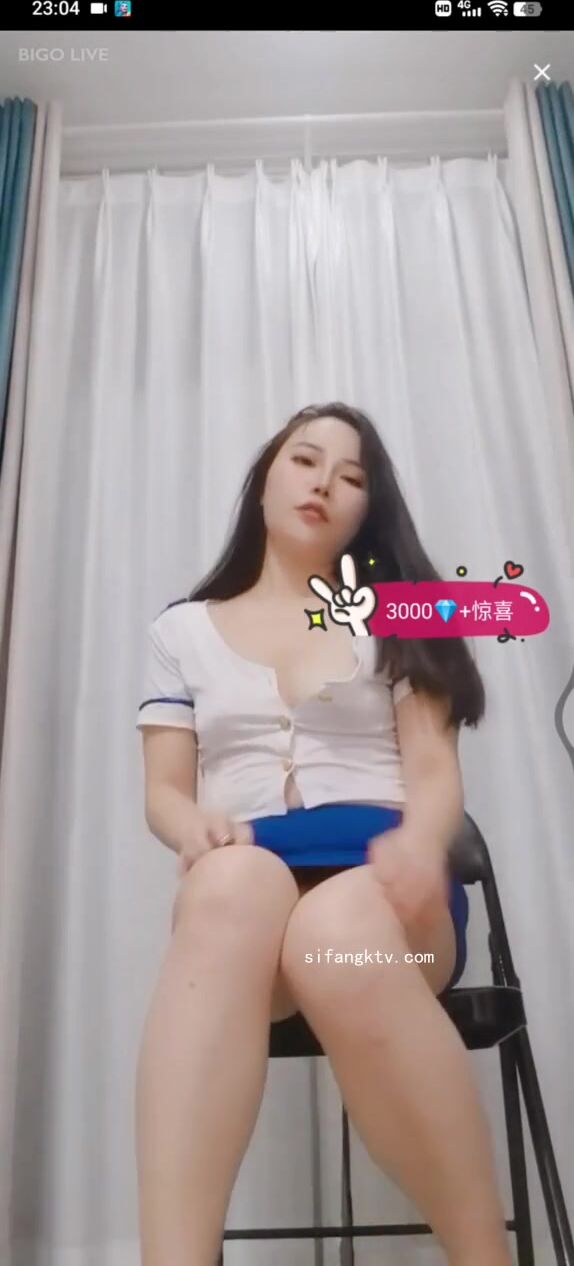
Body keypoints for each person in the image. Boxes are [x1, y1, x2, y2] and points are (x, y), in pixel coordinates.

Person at [134, 402, 512, 1266]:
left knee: (334, 931)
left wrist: (419, 846)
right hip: (250, 911)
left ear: (367, 508)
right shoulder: (180, 631)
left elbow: (433, 774)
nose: (324, 484)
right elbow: (163, 792)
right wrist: (193, 826)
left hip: (389, 908)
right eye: (305, 460)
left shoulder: (404, 611)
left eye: (351, 476)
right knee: (232, 883)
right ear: (265, 479)